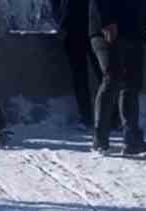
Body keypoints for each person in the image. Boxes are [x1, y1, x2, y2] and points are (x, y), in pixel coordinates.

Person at [89, 0, 146, 155]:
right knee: (112, 79)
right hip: (108, 32)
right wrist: (106, 21)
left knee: (132, 85)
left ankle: (132, 141)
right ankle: (100, 139)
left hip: (135, 33)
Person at [51, 0, 103, 129]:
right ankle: (95, 117)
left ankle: (90, 118)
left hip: (81, 26)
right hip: (79, 26)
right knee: (92, 74)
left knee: (95, 75)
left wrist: (60, 22)